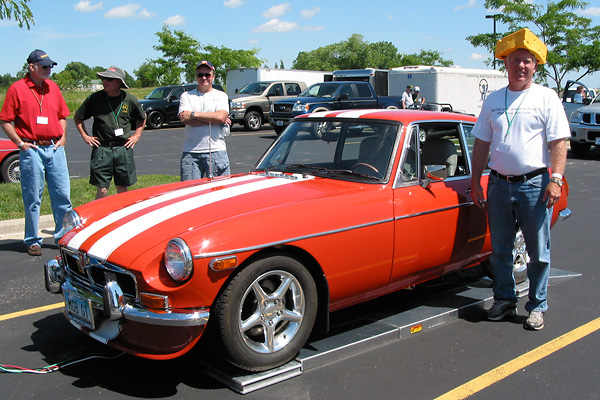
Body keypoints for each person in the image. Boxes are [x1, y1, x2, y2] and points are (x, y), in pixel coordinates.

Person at [470, 28, 570, 330]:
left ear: (535, 66)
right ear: (506, 64)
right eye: (515, 60)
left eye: (527, 61)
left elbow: (559, 143)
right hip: (499, 185)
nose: (521, 66)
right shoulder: (493, 100)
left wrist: (556, 179)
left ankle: (537, 306)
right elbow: (481, 144)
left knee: (538, 251)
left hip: (535, 185)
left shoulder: (546, 97)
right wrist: (476, 181)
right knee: (499, 249)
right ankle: (504, 299)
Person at [0, 49, 72, 256]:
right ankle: (33, 240)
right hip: (31, 148)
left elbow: (62, 116)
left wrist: (64, 138)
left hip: (55, 147)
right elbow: (5, 120)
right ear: (31, 67)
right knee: (32, 196)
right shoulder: (17, 89)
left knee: (62, 195)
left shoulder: (53, 88)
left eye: (50, 66)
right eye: (44, 66)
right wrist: (20, 143)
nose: (49, 69)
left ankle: (64, 236)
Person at [74, 66, 146, 199]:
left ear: (119, 82)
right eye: (103, 78)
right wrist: (85, 136)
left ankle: (123, 215)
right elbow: (78, 117)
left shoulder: (129, 99)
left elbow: (142, 118)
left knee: (122, 188)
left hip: (123, 148)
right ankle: (100, 217)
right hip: (102, 148)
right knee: (102, 189)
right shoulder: (95, 98)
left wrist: (137, 135)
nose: (105, 81)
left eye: (110, 79)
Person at [178, 60, 230, 180]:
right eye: (200, 75)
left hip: (217, 151)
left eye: (207, 74)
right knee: (190, 193)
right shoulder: (186, 96)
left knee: (220, 192)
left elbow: (221, 116)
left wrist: (193, 114)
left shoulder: (221, 96)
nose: (204, 78)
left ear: (213, 76)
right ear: (196, 76)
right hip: (191, 152)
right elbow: (185, 120)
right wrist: (213, 119)